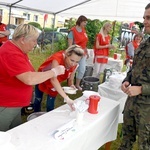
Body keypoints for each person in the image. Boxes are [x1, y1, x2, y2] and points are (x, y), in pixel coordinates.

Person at [0, 24, 65, 131]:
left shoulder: (18, 49)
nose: (36, 44)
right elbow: (29, 78)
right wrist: (54, 71)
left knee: (15, 133)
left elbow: (25, 72)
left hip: (14, 105)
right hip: (6, 105)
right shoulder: (11, 53)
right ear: (22, 39)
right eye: (34, 40)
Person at [118, 3, 150, 150]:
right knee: (126, 140)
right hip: (132, 102)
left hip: (146, 109)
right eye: (144, 17)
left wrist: (142, 89)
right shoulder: (144, 43)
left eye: (149, 18)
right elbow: (135, 67)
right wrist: (127, 80)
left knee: (144, 145)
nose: (144, 21)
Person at [33, 45, 84, 112]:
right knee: (38, 100)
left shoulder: (75, 65)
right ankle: (36, 114)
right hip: (43, 78)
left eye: (77, 61)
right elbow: (53, 79)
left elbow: (70, 79)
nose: (73, 64)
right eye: (72, 60)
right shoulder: (57, 58)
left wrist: (71, 85)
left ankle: (49, 117)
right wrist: (67, 98)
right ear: (66, 55)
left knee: (50, 105)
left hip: (55, 83)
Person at [68, 15, 88, 91]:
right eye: (84, 22)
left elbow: (84, 42)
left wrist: (86, 52)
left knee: (82, 69)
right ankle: (71, 84)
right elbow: (70, 45)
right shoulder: (72, 31)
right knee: (73, 69)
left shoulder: (84, 30)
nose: (85, 24)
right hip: (75, 53)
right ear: (80, 21)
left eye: (86, 22)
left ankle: (77, 84)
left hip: (83, 53)